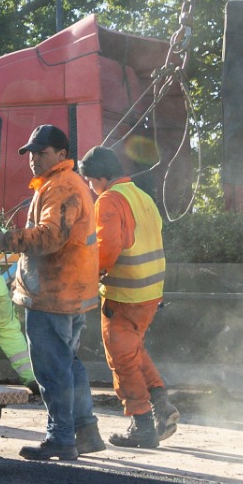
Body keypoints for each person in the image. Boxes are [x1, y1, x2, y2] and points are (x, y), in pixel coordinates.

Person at [0, 124, 100, 461]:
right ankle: (86, 431)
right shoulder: (65, 183)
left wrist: (6, 240)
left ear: (61, 154)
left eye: (42, 152)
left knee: (53, 369)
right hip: (70, 292)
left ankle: (61, 437)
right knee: (68, 363)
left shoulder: (60, 186)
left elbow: (50, 236)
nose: (34, 158)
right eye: (31, 153)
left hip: (53, 294)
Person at [82, 145, 178, 447]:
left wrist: (86, 277)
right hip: (149, 292)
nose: (90, 187)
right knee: (134, 349)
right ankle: (161, 404)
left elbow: (107, 248)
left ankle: (142, 426)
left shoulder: (110, 200)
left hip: (125, 294)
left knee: (121, 359)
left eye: (89, 181)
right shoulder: (141, 196)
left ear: (99, 178)